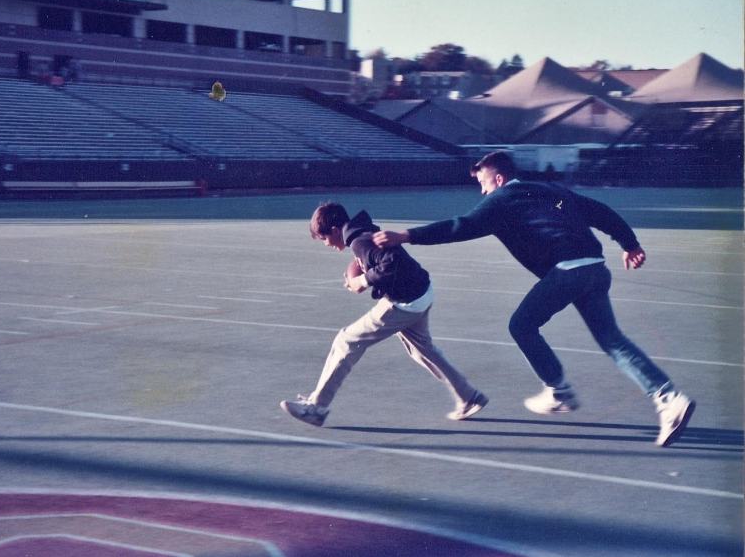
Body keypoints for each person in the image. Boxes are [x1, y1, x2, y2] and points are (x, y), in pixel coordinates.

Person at [372, 151, 695, 447]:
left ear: (498, 179)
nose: (483, 193)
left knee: (522, 326)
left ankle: (560, 392)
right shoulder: (552, 190)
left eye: (483, 184)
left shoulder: (501, 199)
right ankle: (669, 399)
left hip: (568, 271)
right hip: (595, 269)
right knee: (612, 340)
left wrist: (407, 235)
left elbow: (463, 226)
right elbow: (600, 211)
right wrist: (629, 244)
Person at [279, 202, 488, 427]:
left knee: (346, 341)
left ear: (334, 230)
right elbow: (378, 257)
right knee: (423, 351)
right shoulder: (361, 231)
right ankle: (469, 396)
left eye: (324, 239)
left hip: (403, 303)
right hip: (421, 293)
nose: (327, 244)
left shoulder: (359, 241)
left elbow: (392, 264)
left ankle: (316, 408)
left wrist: (362, 280)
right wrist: (357, 269)